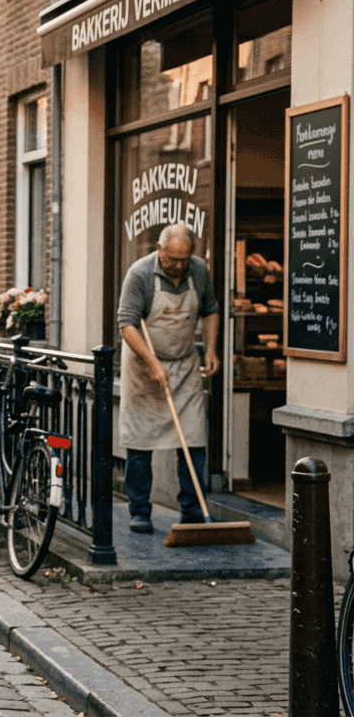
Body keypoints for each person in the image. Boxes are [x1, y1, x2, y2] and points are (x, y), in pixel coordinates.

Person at [116, 224, 220, 534]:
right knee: (140, 442)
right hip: (144, 367)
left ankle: (191, 509)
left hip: (185, 365)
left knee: (193, 440)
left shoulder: (198, 271)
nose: (178, 266)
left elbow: (211, 310)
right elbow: (126, 323)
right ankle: (139, 510)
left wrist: (211, 350)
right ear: (160, 250)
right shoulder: (140, 274)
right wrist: (152, 362)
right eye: (172, 259)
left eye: (183, 259)